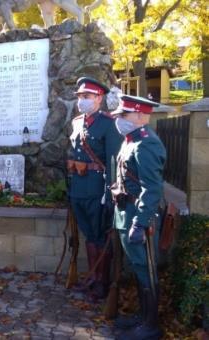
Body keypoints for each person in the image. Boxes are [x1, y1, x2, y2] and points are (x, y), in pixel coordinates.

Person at [111, 95, 165, 339]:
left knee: (146, 269)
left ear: (142, 116)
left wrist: (140, 223)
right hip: (126, 211)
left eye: (125, 115)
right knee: (137, 267)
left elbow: (152, 189)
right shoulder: (130, 140)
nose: (119, 120)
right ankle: (143, 317)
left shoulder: (146, 144)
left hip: (139, 216)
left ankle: (151, 326)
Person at [67, 77, 123, 299]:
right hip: (79, 188)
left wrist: (110, 192)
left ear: (99, 98)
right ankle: (92, 276)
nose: (82, 101)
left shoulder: (109, 124)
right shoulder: (77, 122)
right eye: (80, 97)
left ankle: (102, 282)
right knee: (89, 235)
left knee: (101, 234)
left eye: (86, 97)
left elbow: (113, 162)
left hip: (99, 190)